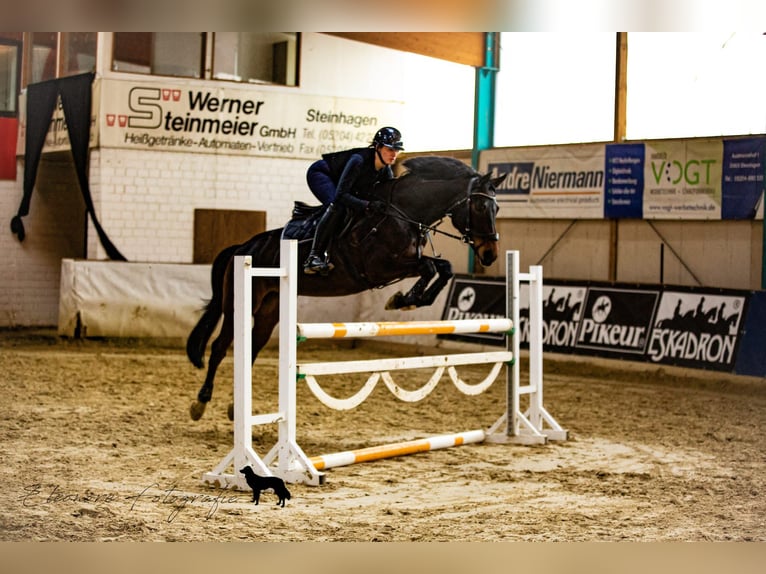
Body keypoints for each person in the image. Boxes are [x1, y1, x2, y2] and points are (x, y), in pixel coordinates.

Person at [303, 126, 404, 275]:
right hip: (321, 174)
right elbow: (341, 196)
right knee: (337, 206)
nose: (394, 154)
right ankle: (313, 257)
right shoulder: (358, 160)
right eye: (390, 149)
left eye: (396, 150)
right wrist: (368, 205)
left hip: (342, 183)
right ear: (377, 147)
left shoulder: (386, 170)